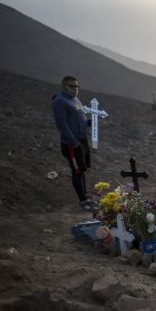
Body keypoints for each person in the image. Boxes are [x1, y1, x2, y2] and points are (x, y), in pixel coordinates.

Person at [52, 76, 95, 211]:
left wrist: (89, 122)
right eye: (72, 86)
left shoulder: (75, 100)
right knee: (76, 171)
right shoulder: (60, 101)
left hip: (82, 141)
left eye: (77, 86)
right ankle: (83, 201)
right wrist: (74, 142)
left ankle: (86, 197)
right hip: (72, 144)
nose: (75, 89)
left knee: (82, 170)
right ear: (65, 86)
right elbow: (62, 125)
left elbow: (79, 116)